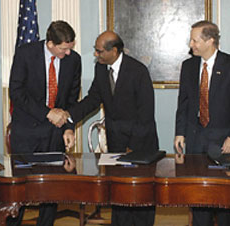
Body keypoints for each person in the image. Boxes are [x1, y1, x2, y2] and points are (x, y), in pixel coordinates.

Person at [65, 31, 159, 226]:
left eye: (99, 51)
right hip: (116, 144)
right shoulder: (101, 70)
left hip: (140, 144)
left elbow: (146, 114)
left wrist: (132, 148)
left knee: (141, 198)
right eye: (95, 50)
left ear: (114, 51)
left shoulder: (138, 71)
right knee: (119, 197)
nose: (96, 55)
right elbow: (92, 99)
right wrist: (69, 117)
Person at [174, 20, 230, 226]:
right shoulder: (188, 66)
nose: (191, 44)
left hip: (226, 142)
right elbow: (183, 104)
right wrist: (180, 133)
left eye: (195, 40)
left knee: (225, 203)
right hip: (196, 141)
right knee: (199, 199)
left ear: (210, 40)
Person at [8, 20, 81, 226]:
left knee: (51, 194)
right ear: (50, 44)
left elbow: (71, 101)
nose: (68, 53)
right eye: (63, 48)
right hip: (26, 134)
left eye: (70, 48)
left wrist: (68, 128)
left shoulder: (74, 60)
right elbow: (16, 92)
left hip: (54, 134)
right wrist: (47, 113)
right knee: (20, 192)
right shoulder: (25, 54)